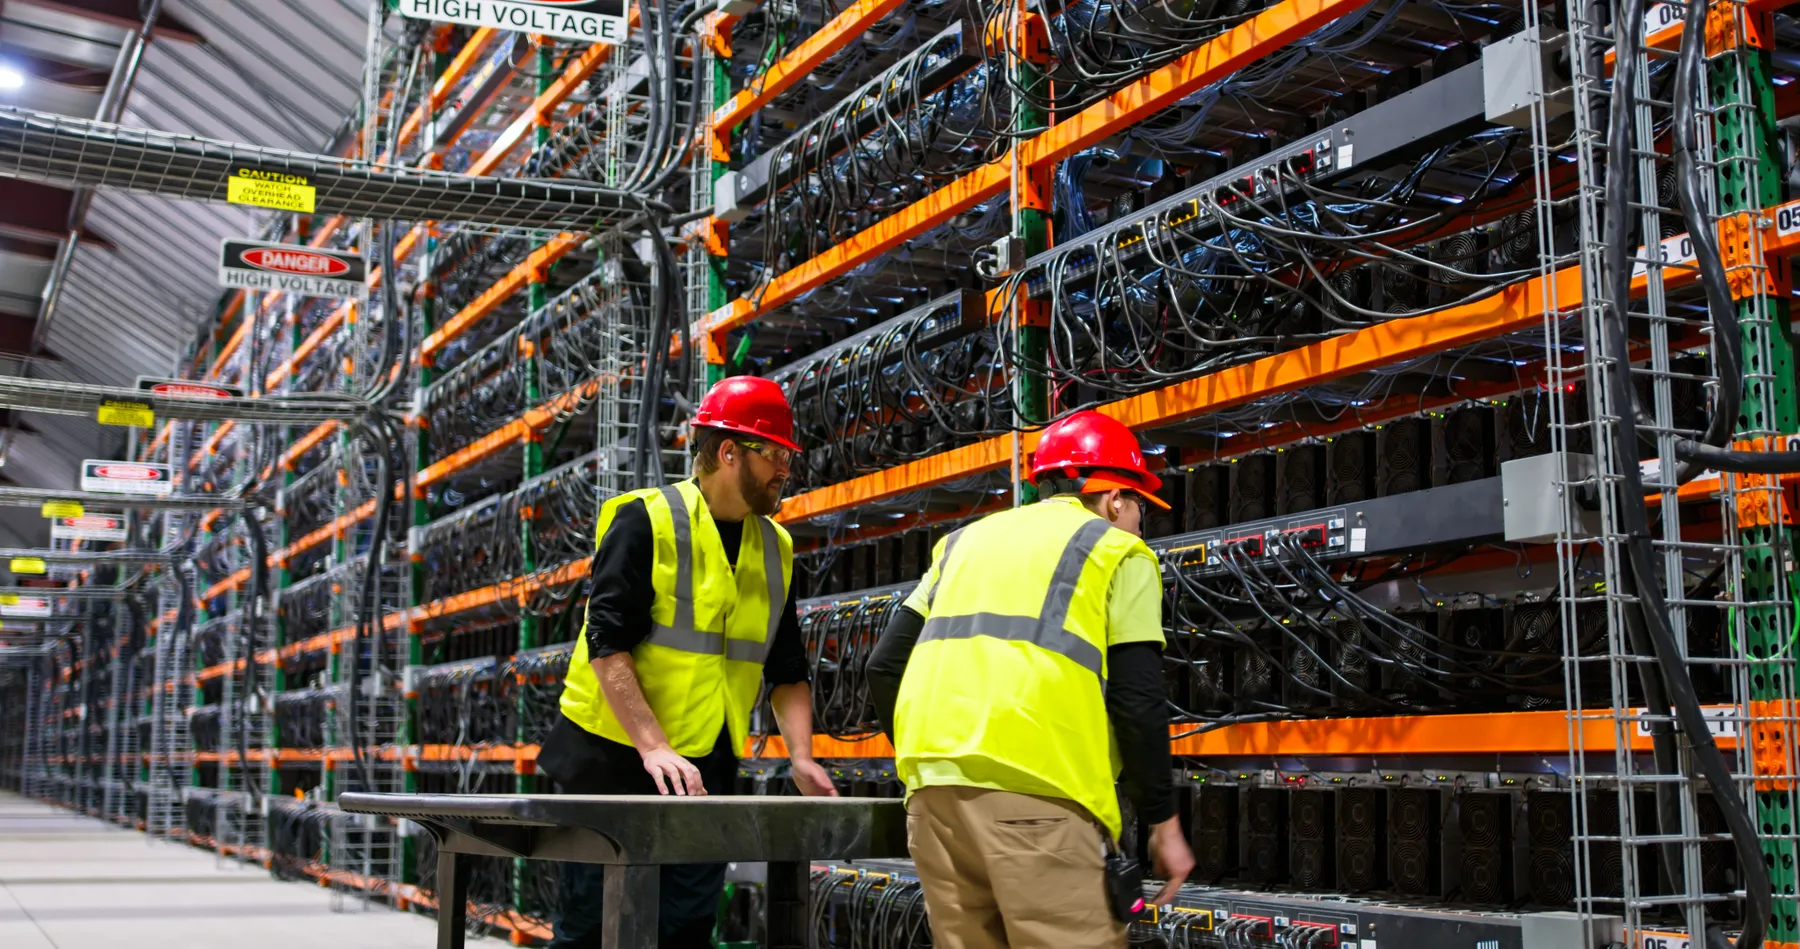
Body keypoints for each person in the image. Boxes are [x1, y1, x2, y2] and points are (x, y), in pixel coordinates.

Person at [865, 410, 1195, 949]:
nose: (1140, 525)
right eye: (1140, 509)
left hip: (932, 803)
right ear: (1115, 498)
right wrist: (1163, 822)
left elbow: (882, 666)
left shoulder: (961, 543)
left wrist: (939, 758)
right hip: (1039, 805)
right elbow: (1138, 701)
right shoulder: (1118, 551)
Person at [538, 375, 838, 949]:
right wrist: (653, 745)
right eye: (774, 454)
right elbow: (607, 642)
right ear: (729, 452)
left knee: (684, 930)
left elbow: (787, 665)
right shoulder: (644, 521)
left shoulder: (775, 547)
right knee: (590, 931)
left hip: (703, 768)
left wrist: (801, 756)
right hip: (614, 760)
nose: (785, 469)